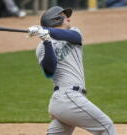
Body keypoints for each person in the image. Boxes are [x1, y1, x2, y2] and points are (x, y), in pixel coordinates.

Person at [28, 6, 117, 135]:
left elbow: (72, 36)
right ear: (55, 20)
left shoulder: (74, 33)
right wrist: (46, 41)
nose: (68, 19)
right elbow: (49, 71)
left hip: (69, 100)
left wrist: (45, 31)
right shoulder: (42, 47)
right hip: (67, 96)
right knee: (106, 126)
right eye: (65, 16)